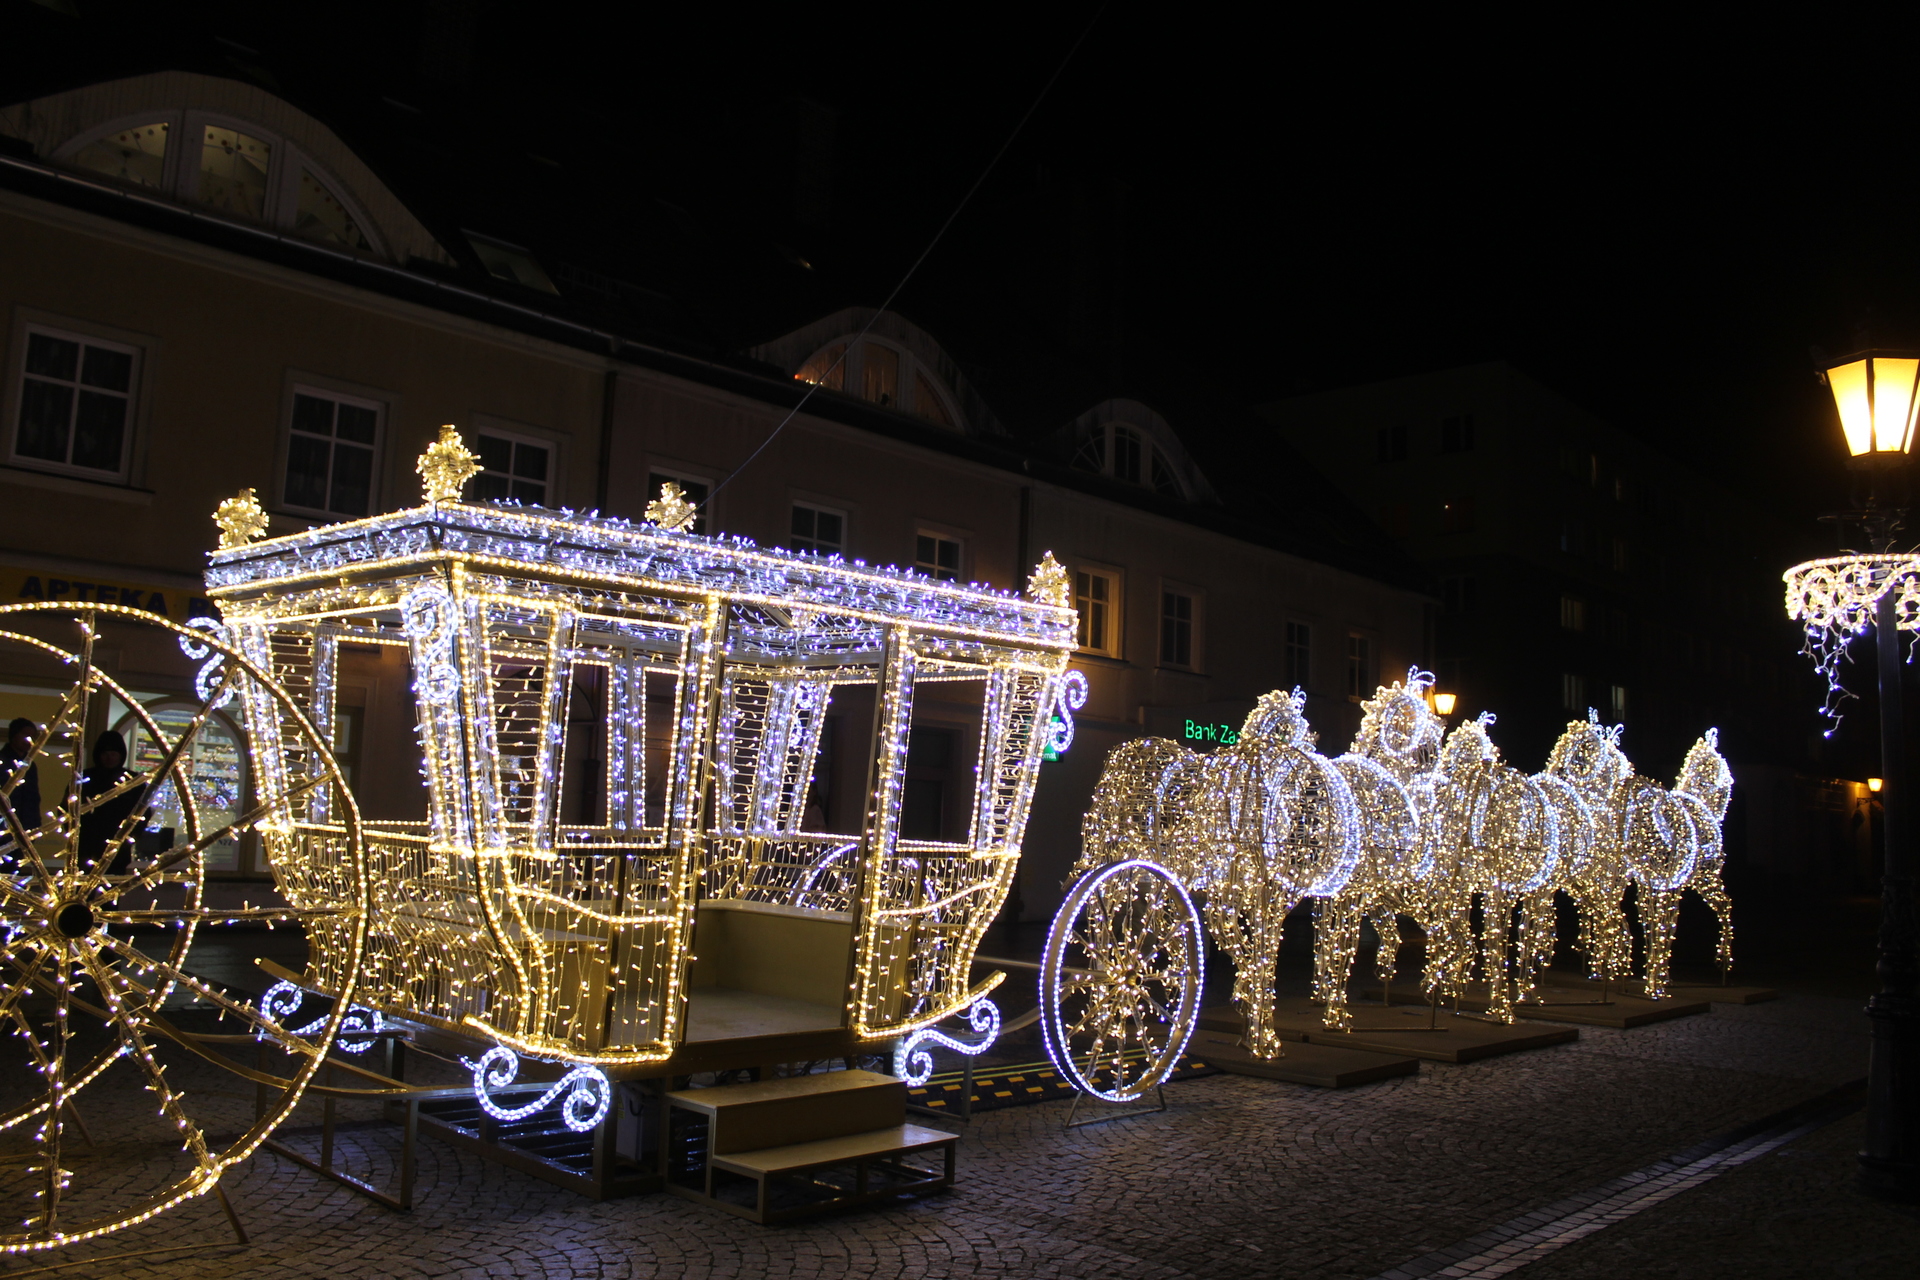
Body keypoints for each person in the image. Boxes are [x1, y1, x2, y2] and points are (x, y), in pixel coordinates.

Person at [78, 729, 145, 875]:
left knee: (110, 891)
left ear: (121, 755)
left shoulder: (133, 782)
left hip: (117, 847)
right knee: (83, 892)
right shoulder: (85, 778)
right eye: (105, 754)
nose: (109, 758)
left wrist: (128, 838)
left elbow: (142, 813)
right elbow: (68, 808)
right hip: (87, 845)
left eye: (114, 754)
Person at [0, 718, 40, 869]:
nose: (29, 740)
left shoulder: (30, 765)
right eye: (25, 735)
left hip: (24, 828)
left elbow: (33, 798)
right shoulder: (2, 761)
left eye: (32, 736)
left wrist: (33, 825)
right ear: (14, 735)